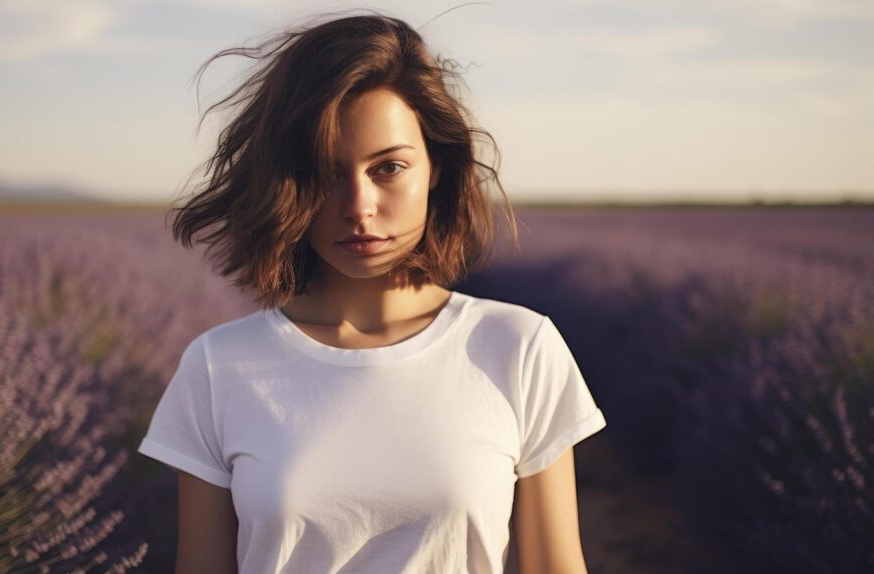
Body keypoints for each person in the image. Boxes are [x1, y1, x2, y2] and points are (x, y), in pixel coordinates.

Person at [137, 9, 607, 574]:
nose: (358, 207)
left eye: (388, 168)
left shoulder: (519, 347)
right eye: (325, 173)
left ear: (436, 166)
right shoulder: (218, 368)